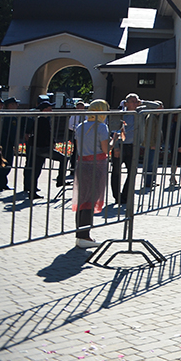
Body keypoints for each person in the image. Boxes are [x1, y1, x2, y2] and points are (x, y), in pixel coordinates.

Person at [71, 100, 111, 249]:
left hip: (82, 164)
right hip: (96, 165)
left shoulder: (81, 126)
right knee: (90, 200)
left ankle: (80, 234)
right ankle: (84, 236)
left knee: (83, 199)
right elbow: (106, 150)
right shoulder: (102, 127)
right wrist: (114, 140)